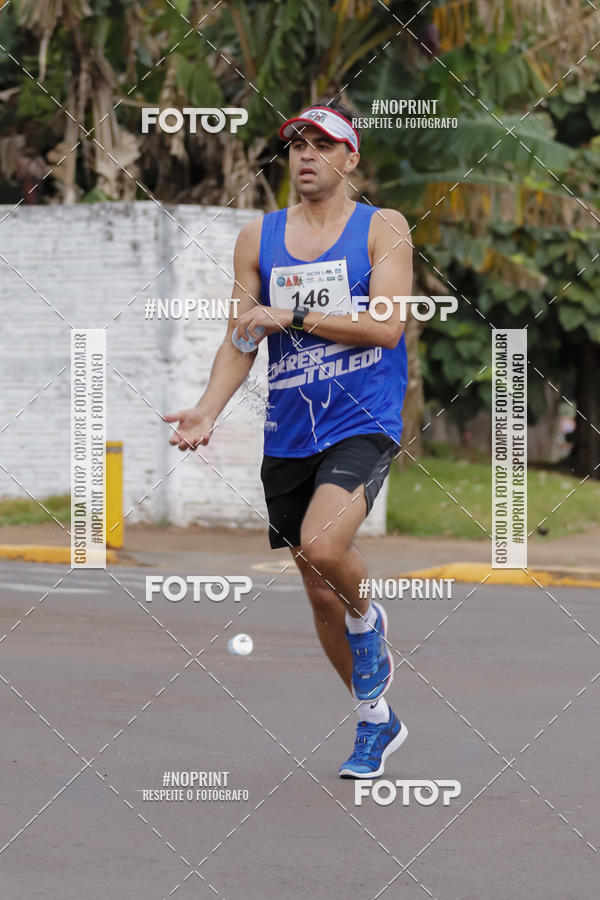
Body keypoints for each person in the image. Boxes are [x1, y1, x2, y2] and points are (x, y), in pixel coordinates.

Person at [164, 97, 413, 778]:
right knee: (317, 591)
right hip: (291, 429)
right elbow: (242, 337)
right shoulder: (258, 238)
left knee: (324, 544)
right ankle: (376, 723)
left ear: (350, 157)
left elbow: (389, 326)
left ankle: (370, 621)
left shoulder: (380, 228)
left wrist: (293, 312)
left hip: (363, 416)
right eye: (297, 144)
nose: (306, 155)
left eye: (322, 144)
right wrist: (208, 411)